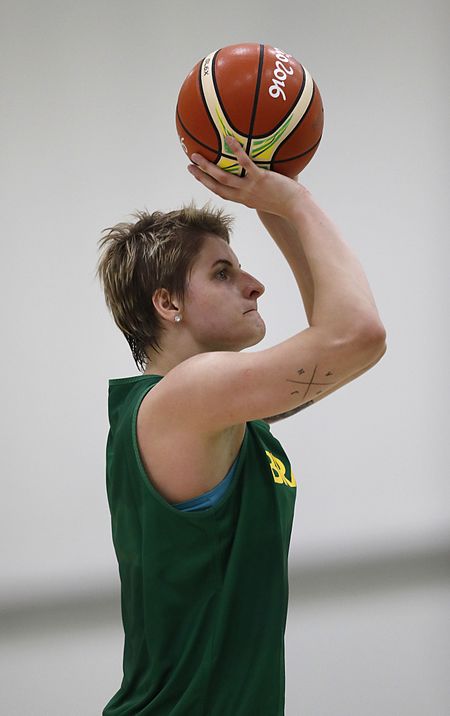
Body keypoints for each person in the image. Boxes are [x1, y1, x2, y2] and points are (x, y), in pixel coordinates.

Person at [96, 136, 386, 715]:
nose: (254, 284)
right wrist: (296, 202)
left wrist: (269, 202)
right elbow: (359, 333)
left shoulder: (214, 412)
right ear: (168, 305)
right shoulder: (189, 394)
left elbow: (337, 331)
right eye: (224, 273)